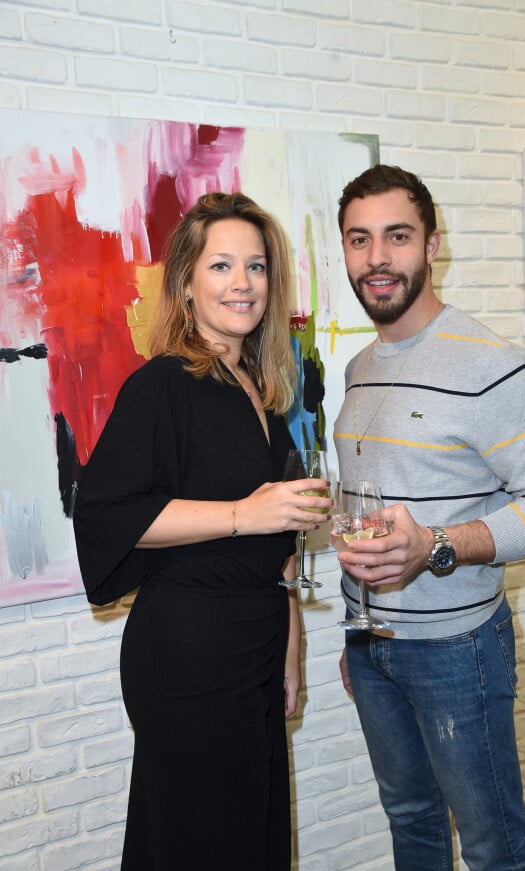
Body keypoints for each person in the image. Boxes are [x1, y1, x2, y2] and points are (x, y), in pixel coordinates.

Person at [73, 191, 332, 871]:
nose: (241, 282)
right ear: (187, 281)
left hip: (253, 639)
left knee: (248, 834)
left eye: (255, 265)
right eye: (221, 266)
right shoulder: (162, 384)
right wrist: (251, 510)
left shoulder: (259, 386)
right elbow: (111, 512)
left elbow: (273, 546)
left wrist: (292, 629)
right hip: (188, 650)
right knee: (202, 841)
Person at [333, 164, 525, 871]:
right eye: (359, 239)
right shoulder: (359, 369)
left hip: (458, 651)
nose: (377, 257)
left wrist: (438, 545)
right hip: (373, 645)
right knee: (410, 824)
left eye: (397, 236)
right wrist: (361, 631)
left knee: (495, 846)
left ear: (433, 245)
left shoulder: (494, 367)